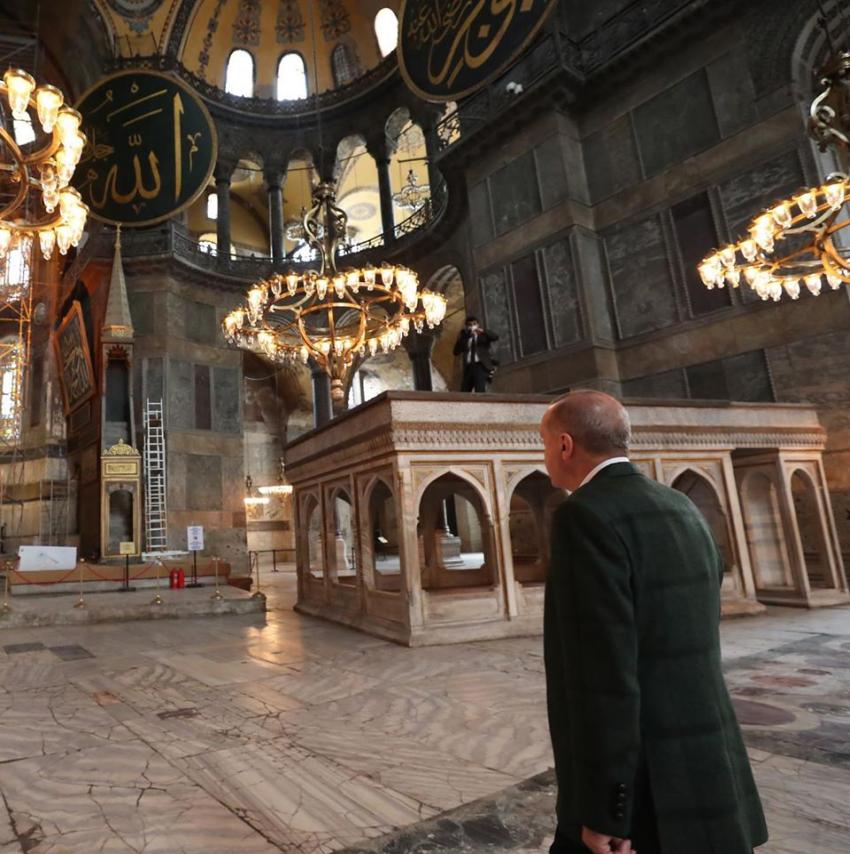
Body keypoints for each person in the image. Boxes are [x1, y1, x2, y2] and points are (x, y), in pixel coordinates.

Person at [539, 390, 767, 854]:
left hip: (647, 783)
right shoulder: (680, 506)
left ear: (565, 445)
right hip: (707, 760)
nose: (543, 457)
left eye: (543, 445)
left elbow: (603, 677)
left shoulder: (583, 517)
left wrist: (605, 809)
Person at [453, 316, 498, 392]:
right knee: (464, 390)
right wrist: (461, 338)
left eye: (474, 324)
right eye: (469, 325)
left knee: (479, 389)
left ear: (478, 325)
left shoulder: (483, 336)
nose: (472, 326)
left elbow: (495, 337)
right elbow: (456, 352)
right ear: (467, 326)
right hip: (469, 366)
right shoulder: (465, 338)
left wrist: (482, 331)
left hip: (480, 365)